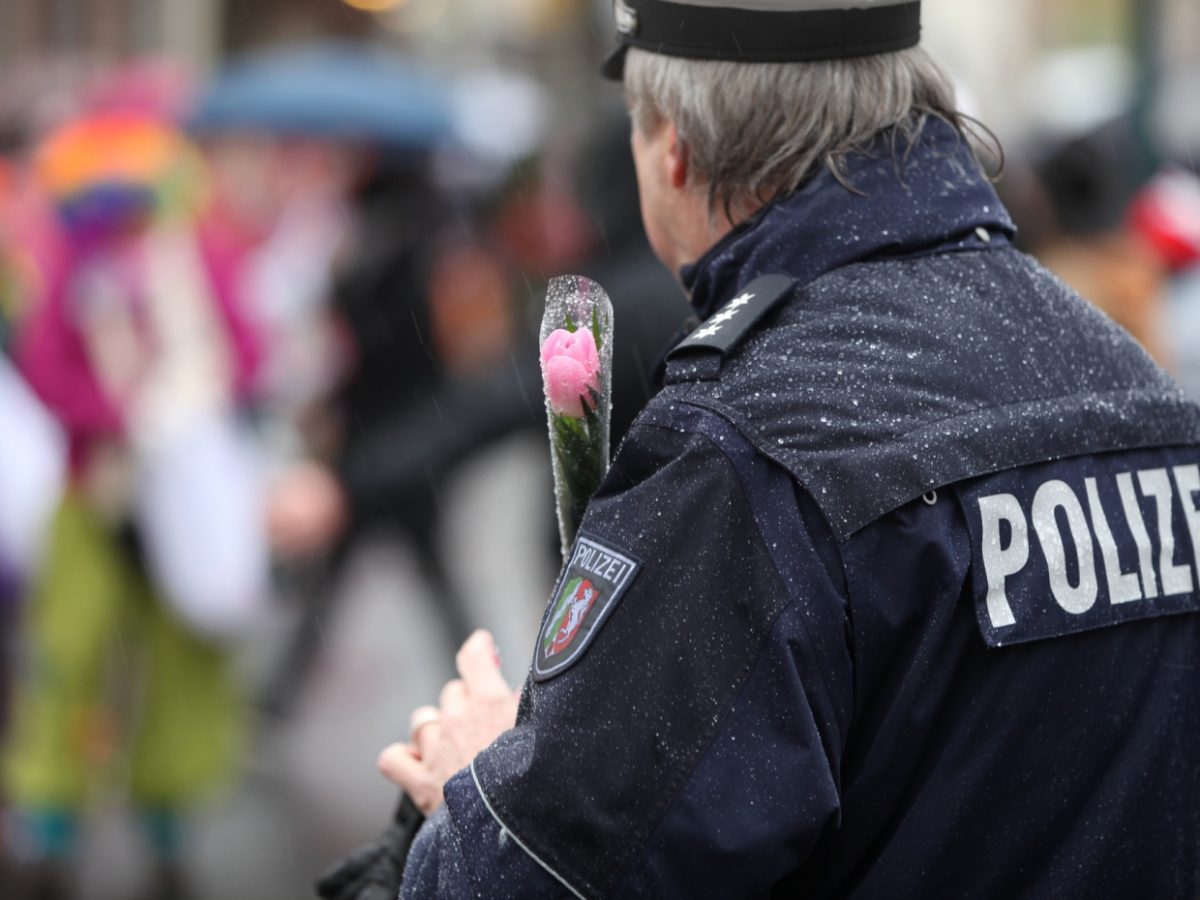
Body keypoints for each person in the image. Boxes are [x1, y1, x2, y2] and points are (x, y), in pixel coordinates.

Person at [338, 1, 1200, 896]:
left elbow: (544, 880)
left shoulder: (749, 446)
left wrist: (475, 794)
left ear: (673, 145)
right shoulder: (1142, 392)